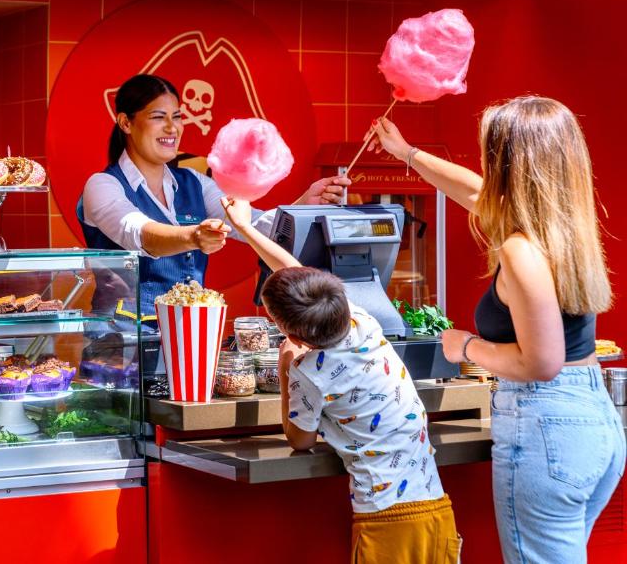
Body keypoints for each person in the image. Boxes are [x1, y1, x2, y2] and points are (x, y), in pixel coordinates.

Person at [368, 96, 624, 563]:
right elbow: (473, 192)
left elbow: (541, 363)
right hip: (594, 422)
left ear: (508, 163)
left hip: (545, 425)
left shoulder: (521, 250)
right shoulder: (566, 228)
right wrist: (406, 153)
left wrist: (465, 346)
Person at [222, 196, 460, 564]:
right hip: (436, 508)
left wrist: (286, 365)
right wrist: (244, 227)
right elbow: (296, 271)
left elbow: (300, 439)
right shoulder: (362, 320)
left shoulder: (309, 372)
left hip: (385, 521)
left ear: (292, 335)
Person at [79, 73, 350, 315]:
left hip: (190, 334)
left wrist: (302, 206)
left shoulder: (195, 182)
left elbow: (250, 224)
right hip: (121, 340)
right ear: (126, 123)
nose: (172, 128)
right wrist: (194, 236)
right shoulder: (102, 185)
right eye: (158, 117)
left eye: (177, 117)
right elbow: (138, 234)